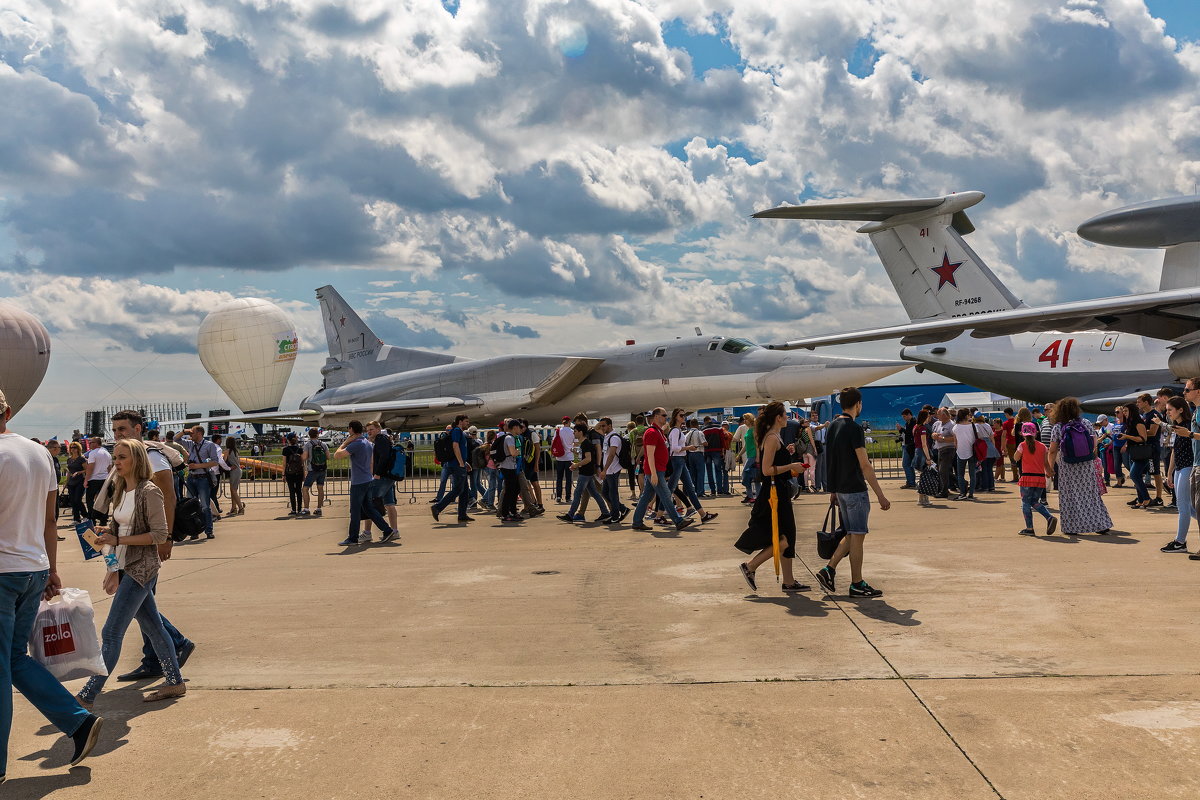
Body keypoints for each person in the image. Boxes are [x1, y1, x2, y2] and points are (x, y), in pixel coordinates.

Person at [0, 389, 102, 777]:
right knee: (13, 659)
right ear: (8, 411)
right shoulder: (39, 452)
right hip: (33, 567)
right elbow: (49, 520)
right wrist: (51, 568)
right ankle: (77, 722)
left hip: (3, 571)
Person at [77, 439, 185, 708]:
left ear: (136, 459)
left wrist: (118, 541)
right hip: (125, 567)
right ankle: (175, 681)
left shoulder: (150, 491)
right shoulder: (122, 489)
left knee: (112, 631)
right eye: (115, 457)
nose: (117, 462)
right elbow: (118, 530)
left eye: (122, 457)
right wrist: (110, 557)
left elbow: (159, 534)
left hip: (142, 569)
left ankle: (88, 694)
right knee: (154, 627)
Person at [105, 410, 194, 683]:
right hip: (129, 548)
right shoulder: (126, 458)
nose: (119, 434)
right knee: (145, 608)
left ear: (138, 428)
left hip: (146, 548)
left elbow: (167, 495)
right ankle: (166, 655)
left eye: (123, 429)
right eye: (116, 430)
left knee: (138, 607)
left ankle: (161, 655)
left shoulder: (151, 456)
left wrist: (165, 539)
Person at [815, 387, 891, 598]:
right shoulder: (854, 428)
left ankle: (828, 570)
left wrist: (832, 490)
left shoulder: (833, 426)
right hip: (855, 490)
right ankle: (856, 583)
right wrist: (880, 495)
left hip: (840, 490)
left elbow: (832, 461)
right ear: (858, 404)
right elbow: (865, 465)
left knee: (851, 533)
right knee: (858, 536)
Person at [735, 401, 810, 593]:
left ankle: (789, 581)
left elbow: (773, 463)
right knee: (784, 538)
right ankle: (751, 566)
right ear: (778, 417)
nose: (788, 418)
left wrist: (788, 455)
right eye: (786, 414)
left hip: (779, 491)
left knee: (787, 536)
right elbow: (767, 470)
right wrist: (791, 467)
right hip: (773, 494)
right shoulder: (772, 438)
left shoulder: (775, 436)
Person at [1049, 397, 1112, 535]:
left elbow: (1053, 450)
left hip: (1068, 467)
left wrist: (1050, 467)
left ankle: (1072, 527)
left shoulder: (1058, 427)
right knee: (1091, 495)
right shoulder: (1086, 423)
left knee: (1069, 496)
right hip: (1086, 466)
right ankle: (1101, 525)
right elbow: (1094, 444)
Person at [334, 421, 396, 546]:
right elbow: (372, 463)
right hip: (368, 479)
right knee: (369, 508)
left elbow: (337, 455)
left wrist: (346, 442)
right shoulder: (368, 443)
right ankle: (387, 530)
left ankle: (353, 538)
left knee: (355, 510)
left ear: (351, 429)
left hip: (359, 482)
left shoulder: (356, 444)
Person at [630, 408, 691, 532]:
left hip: (658, 470)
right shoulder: (652, 432)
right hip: (655, 470)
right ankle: (678, 521)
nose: (666, 418)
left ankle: (637, 522)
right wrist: (653, 473)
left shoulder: (658, 431)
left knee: (646, 497)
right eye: (664, 415)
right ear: (656, 416)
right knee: (665, 495)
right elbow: (650, 455)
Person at [666, 409, 716, 524]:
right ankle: (658, 514)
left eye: (684, 415)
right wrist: (688, 448)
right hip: (677, 461)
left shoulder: (679, 430)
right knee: (670, 490)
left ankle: (703, 514)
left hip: (681, 461)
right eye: (681, 415)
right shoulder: (675, 431)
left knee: (689, 489)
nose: (684, 417)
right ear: (676, 417)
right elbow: (674, 448)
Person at [1162, 396, 1196, 553]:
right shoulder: (1177, 426)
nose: (1167, 413)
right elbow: (1175, 451)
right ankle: (1180, 542)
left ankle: (1180, 542)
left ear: (1180, 410)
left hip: (1189, 467)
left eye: (1170, 410)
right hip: (1179, 469)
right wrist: (1169, 473)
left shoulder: (1189, 427)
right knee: (1188, 506)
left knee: (1183, 507)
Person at [558, 423, 610, 523]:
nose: (574, 433)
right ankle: (605, 512)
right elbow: (586, 458)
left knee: (577, 493)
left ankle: (570, 515)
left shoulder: (586, 444)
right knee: (594, 493)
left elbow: (588, 459)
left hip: (585, 473)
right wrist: (576, 461)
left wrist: (576, 465)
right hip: (587, 472)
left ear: (581, 432)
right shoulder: (584, 444)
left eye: (575, 431)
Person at [1013, 421, 1057, 535]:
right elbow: (1046, 463)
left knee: (1025, 503)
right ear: (1036, 433)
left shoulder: (1022, 445)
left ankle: (1029, 528)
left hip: (1027, 478)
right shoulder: (1042, 447)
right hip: (1039, 478)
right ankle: (1049, 517)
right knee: (1034, 501)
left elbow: (1016, 458)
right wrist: (1049, 472)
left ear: (1022, 434)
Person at [431, 415, 474, 524]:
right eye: (466, 421)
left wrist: (464, 463)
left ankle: (462, 515)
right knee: (458, 489)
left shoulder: (459, 431)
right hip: (456, 465)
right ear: (460, 422)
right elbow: (455, 446)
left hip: (460, 464)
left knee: (464, 491)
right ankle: (437, 507)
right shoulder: (456, 431)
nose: (467, 423)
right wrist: (460, 463)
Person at [362, 421, 401, 537]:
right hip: (388, 477)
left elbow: (384, 457)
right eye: (368, 430)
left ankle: (368, 532)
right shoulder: (383, 439)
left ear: (378, 429)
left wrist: (377, 473)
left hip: (382, 477)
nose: (369, 432)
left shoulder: (380, 439)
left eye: (371, 429)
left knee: (369, 504)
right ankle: (394, 531)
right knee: (389, 504)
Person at [184, 425, 220, 539]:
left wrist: (198, 466)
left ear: (199, 433)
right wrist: (184, 431)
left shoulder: (209, 445)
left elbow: (215, 462)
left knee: (205, 506)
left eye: (192, 433)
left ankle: (209, 530)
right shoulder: (191, 444)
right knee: (191, 506)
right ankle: (194, 531)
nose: (190, 435)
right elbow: (176, 439)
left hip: (203, 478)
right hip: (191, 477)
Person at [1120, 402, 1155, 509]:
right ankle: (1140, 500)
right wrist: (1126, 442)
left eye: (1126, 411)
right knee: (1137, 476)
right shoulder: (1130, 423)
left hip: (1141, 453)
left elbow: (1143, 438)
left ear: (1132, 411)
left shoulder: (1138, 422)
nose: (1124, 413)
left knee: (1134, 475)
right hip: (1133, 452)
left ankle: (1146, 498)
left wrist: (1127, 436)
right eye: (1123, 411)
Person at [597, 418, 630, 523]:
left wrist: (604, 470)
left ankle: (615, 516)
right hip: (609, 470)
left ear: (610, 425)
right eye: (601, 426)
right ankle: (623, 509)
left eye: (604, 426)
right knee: (605, 492)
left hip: (613, 469)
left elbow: (611, 455)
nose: (602, 428)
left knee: (612, 493)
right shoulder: (607, 436)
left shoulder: (614, 438)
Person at [951, 408, 981, 501]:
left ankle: (962, 493)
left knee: (960, 474)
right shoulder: (973, 426)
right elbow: (978, 437)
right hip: (972, 452)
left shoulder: (955, 427)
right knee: (972, 474)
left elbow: (955, 442)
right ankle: (971, 494)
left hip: (960, 452)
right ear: (966, 416)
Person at [497, 419, 524, 523]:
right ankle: (505, 513)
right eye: (519, 427)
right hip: (507, 467)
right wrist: (518, 452)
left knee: (515, 489)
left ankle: (512, 511)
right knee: (509, 490)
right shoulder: (509, 438)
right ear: (515, 427)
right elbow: (513, 453)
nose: (520, 429)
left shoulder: (511, 437)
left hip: (511, 466)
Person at [301, 428, 329, 516]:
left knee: (305, 488)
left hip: (312, 469)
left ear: (309, 435)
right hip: (322, 469)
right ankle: (319, 508)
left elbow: (304, 457)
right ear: (318, 434)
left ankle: (306, 508)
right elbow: (328, 456)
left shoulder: (308, 444)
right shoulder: (323, 444)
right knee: (320, 488)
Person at [83, 436, 111, 523]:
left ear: (96, 443)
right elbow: (110, 467)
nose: (90, 444)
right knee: (104, 499)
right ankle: (104, 518)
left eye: (91, 442)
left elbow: (90, 467)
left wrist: (86, 479)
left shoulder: (93, 453)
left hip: (94, 479)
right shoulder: (107, 453)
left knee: (90, 499)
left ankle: (92, 517)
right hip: (105, 479)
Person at [932, 408, 956, 499]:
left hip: (948, 449)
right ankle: (961, 482)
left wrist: (942, 439)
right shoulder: (937, 423)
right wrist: (934, 435)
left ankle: (944, 491)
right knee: (942, 470)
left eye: (938, 414)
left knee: (943, 470)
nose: (937, 416)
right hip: (939, 449)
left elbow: (954, 438)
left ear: (944, 415)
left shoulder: (952, 425)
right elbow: (934, 432)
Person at [281, 433, 305, 516]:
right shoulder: (300, 449)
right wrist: (304, 474)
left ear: (288, 440)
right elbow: (302, 462)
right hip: (299, 472)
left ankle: (293, 510)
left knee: (291, 491)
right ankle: (300, 509)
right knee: (299, 491)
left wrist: (283, 475)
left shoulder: (285, 450)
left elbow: (284, 463)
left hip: (289, 472)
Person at [914, 409, 934, 507]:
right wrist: (928, 458)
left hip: (917, 452)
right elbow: (924, 444)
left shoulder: (916, 427)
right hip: (922, 452)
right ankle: (923, 498)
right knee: (925, 476)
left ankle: (923, 498)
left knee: (922, 476)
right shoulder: (923, 428)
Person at [552, 417, 575, 503]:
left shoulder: (558, 431)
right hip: (569, 457)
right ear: (569, 422)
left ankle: (558, 496)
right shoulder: (572, 432)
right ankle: (568, 497)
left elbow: (553, 442)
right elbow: (575, 442)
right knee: (568, 479)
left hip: (560, 457)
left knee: (559, 478)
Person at [65, 440, 88, 524]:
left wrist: (79, 472)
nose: (73, 449)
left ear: (78, 449)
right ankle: (76, 519)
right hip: (71, 482)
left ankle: (85, 515)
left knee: (77, 499)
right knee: (72, 501)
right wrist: (66, 482)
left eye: (75, 447)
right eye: (71, 447)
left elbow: (87, 469)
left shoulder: (81, 459)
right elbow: (69, 472)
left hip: (80, 481)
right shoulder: (69, 460)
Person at [222, 436, 244, 516]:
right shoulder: (235, 451)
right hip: (238, 470)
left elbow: (223, 461)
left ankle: (240, 508)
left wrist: (228, 467)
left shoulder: (227, 451)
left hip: (234, 471)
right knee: (233, 490)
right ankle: (233, 508)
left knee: (233, 490)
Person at [898, 409, 917, 488]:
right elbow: (906, 433)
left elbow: (910, 433)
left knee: (906, 464)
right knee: (908, 465)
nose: (904, 418)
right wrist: (901, 431)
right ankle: (910, 481)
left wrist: (901, 429)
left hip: (910, 446)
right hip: (907, 445)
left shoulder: (913, 423)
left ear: (909, 414)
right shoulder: (908, 423)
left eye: (905, 416)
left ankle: (911, 482)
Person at [1002, 407, 1019, 482]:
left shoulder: (1006, 423)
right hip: (1018, 442)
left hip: (1010, 443)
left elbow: (1004, 435)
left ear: (1006, 414)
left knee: (1013, 461)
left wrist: (1003, 446)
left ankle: (1015, 477)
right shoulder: (1017, 422)